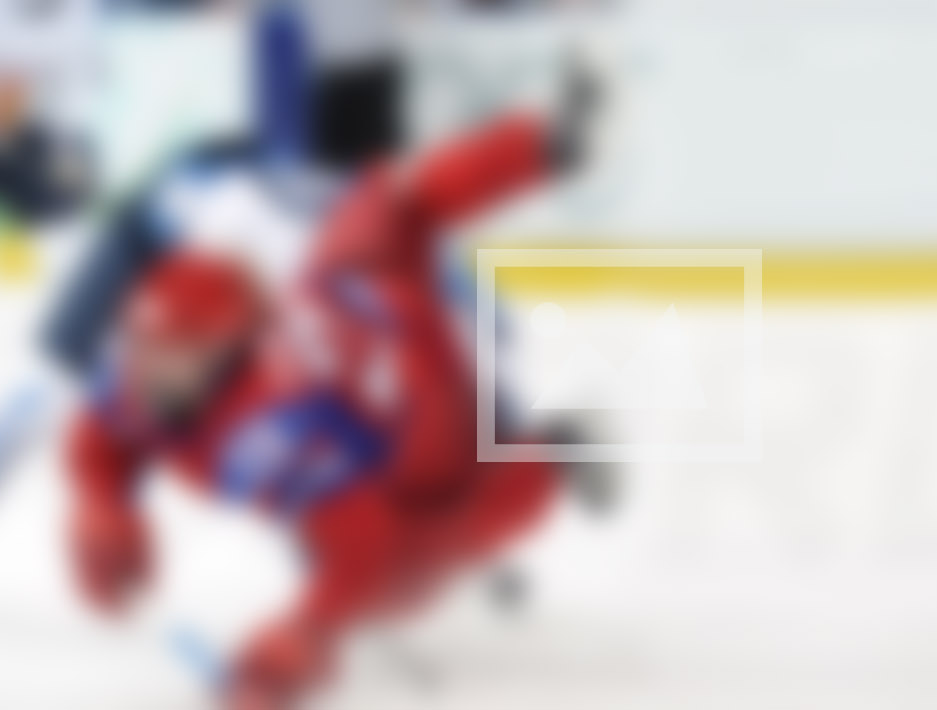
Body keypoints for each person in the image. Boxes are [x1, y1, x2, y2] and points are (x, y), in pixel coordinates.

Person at [64, 60, 602, 707]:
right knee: (393, 203)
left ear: (225, 356)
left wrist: (308, 630)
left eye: (172, 354)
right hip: (362, 291)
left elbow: (368, 558)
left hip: (428, 410)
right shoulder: (159, 360)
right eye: (141, 346)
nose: (145, 368)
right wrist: (101, 501)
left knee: (430, 555)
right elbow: (102, 429)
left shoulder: (273, 430)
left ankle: (559, 456)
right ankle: (545, 140)